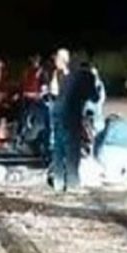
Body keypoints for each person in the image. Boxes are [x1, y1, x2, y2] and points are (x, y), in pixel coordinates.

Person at [49, 62, 100, 192]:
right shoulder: (88, 76)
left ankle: (58, 182)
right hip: (70, 114)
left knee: (59, 147)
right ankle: (73, 184)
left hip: (57, 112)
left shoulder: (69, 76)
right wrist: (96, 86)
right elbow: (95, 98)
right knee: (72, 150)